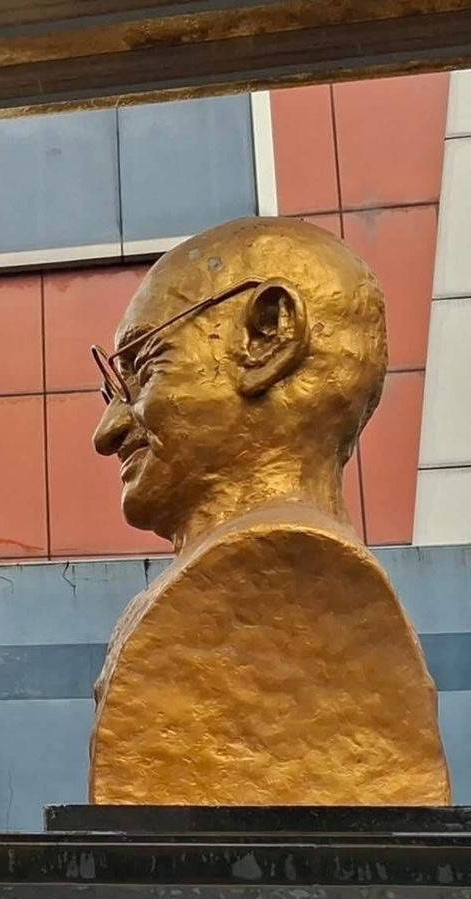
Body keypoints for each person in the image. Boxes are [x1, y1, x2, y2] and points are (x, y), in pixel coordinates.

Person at [88, 217, 448, 806]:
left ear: (268, 338)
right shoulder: (213, 585)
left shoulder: (272, 583)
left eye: (144, 370)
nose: (108, 431)